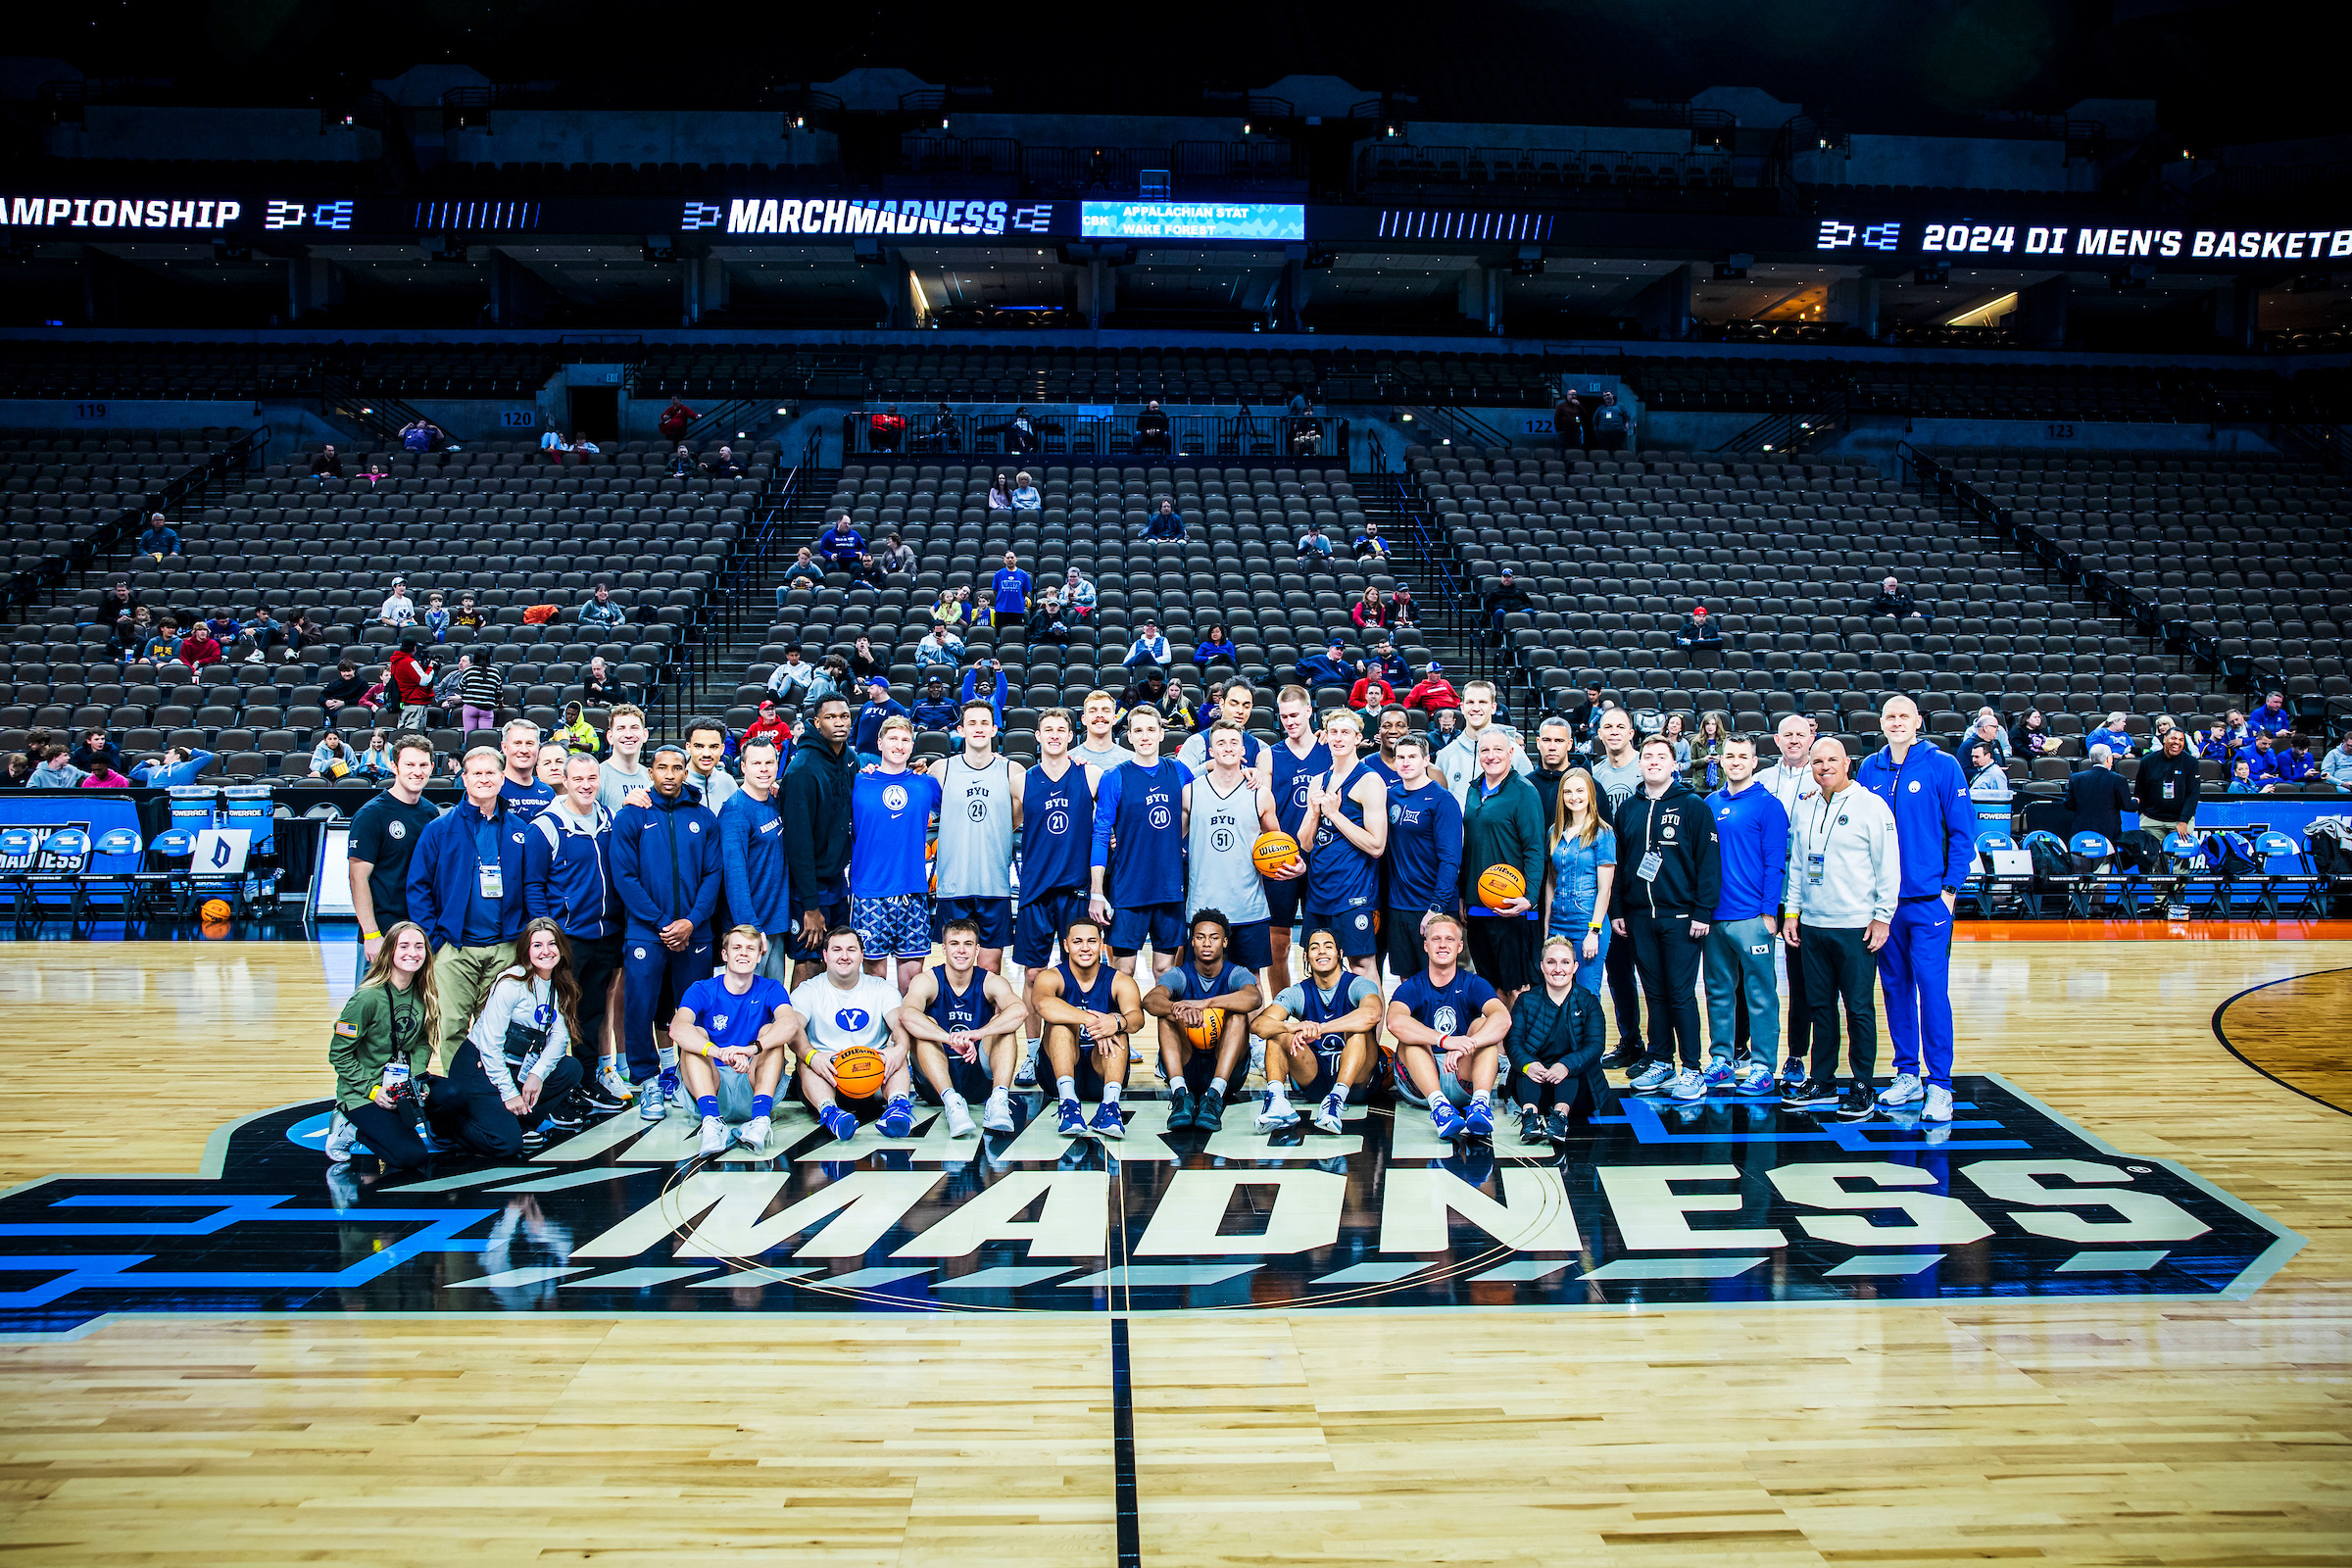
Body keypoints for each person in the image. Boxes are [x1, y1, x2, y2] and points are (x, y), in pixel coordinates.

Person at [1856, 696, 1972, 1119]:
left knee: (1932, 991)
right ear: (1881, 723)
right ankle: (1907, 1074)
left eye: (1904, 715)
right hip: (1884, 905)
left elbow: (1963, 833)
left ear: (1918, 721)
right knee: (1894, 988)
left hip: (1928, 903)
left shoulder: (1942, 765)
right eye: (1890, 716)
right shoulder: (1870, 767)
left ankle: (1940, 1084)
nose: (1897, 722)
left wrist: (1950, 890)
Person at [1782, 738, 1900, 1122]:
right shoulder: (1807, 807)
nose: (1824, 766)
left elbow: (1889, 866)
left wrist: (1883, 916)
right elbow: (1799, 864)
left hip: (1856, 926)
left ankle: (1862, 1084)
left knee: (1859, 1008)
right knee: (1819, 1007)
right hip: (1814, 925)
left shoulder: (1871, 806)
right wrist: (1793, 912)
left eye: (1832, 759)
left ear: (1848, 762)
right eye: (1817, 761)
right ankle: (1823, 1079)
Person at [612, 743, 722, 1120]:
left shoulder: (704, 817)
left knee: (694, 1010)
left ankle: (687, 1077)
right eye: (662, 767)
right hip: (647, 933)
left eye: (677, 768)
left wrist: (691, 921)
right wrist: (662, 923)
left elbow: (713, 875)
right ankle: (646, 1083)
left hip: (696, 933)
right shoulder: (631, 818)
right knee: (640, 1006)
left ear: (685, 771)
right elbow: (624, 877)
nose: (670, 774)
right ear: (651, 771)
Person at [1612, 734, 1721, 1101]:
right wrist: (1618, 910)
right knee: (1654, 994)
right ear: (1639, 764)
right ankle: (1661, 1060)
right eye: (1648, 756)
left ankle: (1692, 1068)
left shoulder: (1693, 805)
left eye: (1662, 756)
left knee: (1680, 994)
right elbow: (1621, 864)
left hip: (1682, 917)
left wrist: (1702, 911)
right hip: (1640, 917)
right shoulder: (1628, 809)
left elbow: (1708, 864)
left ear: (1675, 763)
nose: (1654, 761)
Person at [406, 747, 532, 1062]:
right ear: (464, 779)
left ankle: (494, 1095)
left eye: (491, 773)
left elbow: (533, 886)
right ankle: (460, 1095)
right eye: (477, 773)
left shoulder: (521, 830)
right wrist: (437, 940)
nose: (484, 779)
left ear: (503, 778)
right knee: (451, 1027)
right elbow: (418, 887)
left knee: (500, 1029)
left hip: (505, 949)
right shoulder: (439, 828)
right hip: (454, 950)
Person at [522, 749, 627, 1111]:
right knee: (561, 1014)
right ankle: (551, 1085)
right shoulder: (546, 826)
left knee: (594, 1011)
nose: (585, 785)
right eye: (577, 779)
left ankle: (586, 1080)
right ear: (563, 782)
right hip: (568, 938)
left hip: (607, 934)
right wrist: (546, 936)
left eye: (591, 778)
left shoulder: (610, 819)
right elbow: (533, 885)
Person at [436, 918, 588, 1154]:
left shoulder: (558, 983)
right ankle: (445, 1124)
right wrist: (509, 1093)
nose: (546, 951)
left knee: (571, 1068)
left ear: (561, 948)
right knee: (507, 1144)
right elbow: (490, 1047)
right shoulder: (511, 983)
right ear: (526, 950)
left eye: (552, 944)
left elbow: (559, 1039)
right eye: (537, 945)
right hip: (479, 1067)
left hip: (514, 1066)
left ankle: (520, 1121)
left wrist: (537, 1074)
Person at [672, 926, 806, 1156]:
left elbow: (789, 1024)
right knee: (696, 1036)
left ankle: (760, 1121)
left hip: (752, 1084)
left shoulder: (771, 988)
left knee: (770, 1032)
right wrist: (718, 1052)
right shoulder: (702, 989)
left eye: (750, 948)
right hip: (712, 1085)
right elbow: (678, 1028)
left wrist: (749, 1050)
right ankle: (711, 1123)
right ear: (724, 955)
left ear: (759, 955)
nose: (743, 953)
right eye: (737, 947)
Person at [1703, 733, 1787, 1094]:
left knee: (1761, 992)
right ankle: (1722, 1058)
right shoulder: (1708, 802)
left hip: (1752, 916)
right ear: (1721, 760)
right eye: (1730, 755)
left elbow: (1775, 863)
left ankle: (1764, 1065)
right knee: (1718, 991)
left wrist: (1770, 912)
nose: (1735, 761)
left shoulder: (1769, 806)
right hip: (1714, 917)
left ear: (1755, 762)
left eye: (1743, 756)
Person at [322, 921, 442, 1171]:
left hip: (400, 1084)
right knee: (410, 1156)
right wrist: (373, 1090)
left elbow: (422, 1042)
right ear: (389, 952)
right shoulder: (365, 998)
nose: (413, 952)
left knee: (453, 1095)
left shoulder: (424, 991)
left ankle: (438, 1131)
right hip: (363, 1092)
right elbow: (339, 1055)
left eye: (419, 946)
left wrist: (416, 1079)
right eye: (404, 946)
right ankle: (348, 1128)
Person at [1090, 707, 1194, 981]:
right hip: (1129, 887)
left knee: (1165, 971)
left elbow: (1201, 807)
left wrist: (1181, 838)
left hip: (1169, 887)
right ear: (1129, 737)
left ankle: (1167, 1026)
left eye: (1151, 730)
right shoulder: (1115, 776)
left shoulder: (1180, 772)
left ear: (1162, 734)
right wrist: (1097, 890)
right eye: (1138, 730)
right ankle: (1117, 1025)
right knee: (1122, 971)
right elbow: (1101, 833)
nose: (1145, 736)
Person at [1387, 913, 1511, 1142]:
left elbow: (1503, 1019)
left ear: (1460, 946)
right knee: (1408, 1038)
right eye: (1436, 939)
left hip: (1462, 1074)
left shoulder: (1473, 983)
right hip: (1421, 1081)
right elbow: (1394, 1021)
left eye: (1449, 939)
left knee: (1483, 1025)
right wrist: (1445, 1041)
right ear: (1425, 945)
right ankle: (1440, 1109)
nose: (1443, 945)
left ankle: (1480, 1105)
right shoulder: (1412, 986)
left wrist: (1468, 1044)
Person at [901, 919, 1027, 1138]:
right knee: (924, 1026)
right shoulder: (927, 980)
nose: (961, 950)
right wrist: (949, 1038)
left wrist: (980, 1032)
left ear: (977, 949)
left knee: (1003, 1026)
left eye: (968, 944)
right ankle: (952, 1102)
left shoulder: (990, 981)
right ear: (943, 948)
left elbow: (1020, 1011)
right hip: (935, 1084)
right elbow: (907, 1015)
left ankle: (998, 1100)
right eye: (954, 943)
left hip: (978, 1078)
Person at [1249, 924, 1381, 1134]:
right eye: (1314, 947)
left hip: (1358, 1082)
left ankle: (1336, 1100)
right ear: (1306, 957)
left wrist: (1320, 1029)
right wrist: (1294, 1026)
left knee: (1359, 1031)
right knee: (1277, 1034)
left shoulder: (1357, 984)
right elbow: (1258, 1025)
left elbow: (1372, 1014)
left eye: (1328, 946)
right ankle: (1277, 1101)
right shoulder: (1298, 992)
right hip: (1315, 1076)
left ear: (1339, 954)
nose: (1321, 951)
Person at [1182, 719, 1284, 990]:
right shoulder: (1191, 791)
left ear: (1243, 751)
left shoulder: (1260, 794)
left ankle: (1255, 1035)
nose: (1227, 748)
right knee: (1200, 982)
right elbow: (1169, 842)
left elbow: (1279, 845)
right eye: (1220, 743)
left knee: (1250, 983)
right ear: (1211, 751)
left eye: (1233, 743)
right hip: (1203, 907)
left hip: (1248, 906)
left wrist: (1293, 866)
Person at [791, 926, 916, 1144]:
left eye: (851, 949)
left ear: (861, 955)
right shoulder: (808, 990)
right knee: (806, 1060)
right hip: (828, 1076)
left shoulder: (880, 988)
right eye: (837, 950)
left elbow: (899, 1023)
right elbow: (793, 1029)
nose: (844, 956)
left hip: (874, 1077)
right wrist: (812, 1055)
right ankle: (830, 1113)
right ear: (825, 955)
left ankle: (898, 1108)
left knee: (897, 1055)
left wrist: (900, 1048)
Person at [1145, 909, 1264, 1132]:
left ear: (1225, 942)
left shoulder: (1236, 973)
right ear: (1192, 942)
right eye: (1200, 937)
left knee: (1238, 1013)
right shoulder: (1180, 974)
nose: (1207, 943)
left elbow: (1254, 998)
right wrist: (1178, 1009)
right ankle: (1180, 1094)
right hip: (1188, 1064)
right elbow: (1150, 1001)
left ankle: (1215, 1096)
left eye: (1214, 937)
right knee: (1166, 1015)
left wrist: (1206, 1003)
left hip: (1227, 1071)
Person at [850, 716, 943, 990]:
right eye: (892, 739)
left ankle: (910, 1034)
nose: (898, 745)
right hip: (869, 893)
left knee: (912, 981)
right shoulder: (858, 782)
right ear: (879, 742)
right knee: (873, 980)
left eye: (905, 740)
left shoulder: (925, 785)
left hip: (912, 891)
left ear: (912, 745)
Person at [1034, 915, 1145, 1139]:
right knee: (1061, 1024)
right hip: (1056, 1074)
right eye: (1077, 942)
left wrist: (1114, 1022)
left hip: (1101, 1070)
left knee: (1118, 1027)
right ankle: (1068, 1103)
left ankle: (1110, 1107)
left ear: (1101, 943)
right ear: (1066, 945)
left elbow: (1136, 1018)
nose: (1085, 948)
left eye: (1091, 941)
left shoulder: (1119, 980)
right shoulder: (1051, 976)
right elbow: (1042, 1004)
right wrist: (1091, 1021)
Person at [1459, 727, 1544, 1001]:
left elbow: (1534, 849)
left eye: (1498, 750)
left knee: (1517, 987)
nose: (1491, 756)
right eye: (1484, 750)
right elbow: (1469, 847)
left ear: (1511, 753)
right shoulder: (1473, 790)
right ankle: (1497, 1045)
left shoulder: (1524, 792)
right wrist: (1463, 895)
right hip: (1478, 905)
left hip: (1511, 907)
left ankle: (1520, 1045)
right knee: (1489, 988)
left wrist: (1529, 897)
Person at [780, 694, 858, 983]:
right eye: (831, 717)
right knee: (809, 961)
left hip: (837, 882)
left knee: (835, 963)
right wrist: (810, 907)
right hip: (808, 890)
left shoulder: (849, 759)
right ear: (817, 723)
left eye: (845, 716)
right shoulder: (802, 770)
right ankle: (796, 1028)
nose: (839, 722)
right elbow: (798, 845)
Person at [1261, 687, 1331, 994]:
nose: (1290, 721)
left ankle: (1322, 1013)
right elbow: (1262, 809)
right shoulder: (1269, 756)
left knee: (1323, 944)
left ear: (1309, 712)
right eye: (1284, 716)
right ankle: (1281, 1010)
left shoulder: (1330, 750)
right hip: (1281, 859)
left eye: (1295, 715)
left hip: (1324, 858)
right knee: (1278, 945)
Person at [1506, 937, 1611, 1141]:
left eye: (1565, 962)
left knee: (1570, 1064)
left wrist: (1565, 1066)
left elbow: (1596, 1045)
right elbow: (1513, 1043)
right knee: (1525, 1067)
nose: (1558, 969)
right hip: (1537, 1088)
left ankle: (1560, 1118)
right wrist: (1528, 1065)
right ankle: (1530, 1118)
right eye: (1551, 962)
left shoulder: (1589, 1002)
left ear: (1575, 967)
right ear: (1542, 966)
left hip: (1578, 1093)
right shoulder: (1525, 1001)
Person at [1383, 733, 1464, 982]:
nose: (1406, 762)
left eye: (1412, 757)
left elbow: (1451, 860)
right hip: (1399, 905)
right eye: (1400, 757)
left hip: (1433, 905)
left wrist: (1436, 908)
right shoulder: (1390, 796)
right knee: (1407, 980)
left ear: (1426, 760)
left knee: (1440, 979)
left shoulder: (1443, 800)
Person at [1542, 766, 1614, 997]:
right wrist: (1546, 925)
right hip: (1558, 922)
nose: (1574, 797)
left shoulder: (1602, 833)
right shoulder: (1554, 832)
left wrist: (1594, 931)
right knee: (1556, 994)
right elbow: (1551, 882)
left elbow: (1605, 889)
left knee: (1587, 995)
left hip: (1587, 922)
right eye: (1568, 792)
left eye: (1580, 791)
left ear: (1591, 794)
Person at [1437, 679, 1533, 803]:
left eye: (1482, 702)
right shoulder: (1446, 755)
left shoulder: (1514, 753)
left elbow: (1528, 800)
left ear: (1493, 708)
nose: (1476, 708)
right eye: (1470, 702)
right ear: (1462, 707)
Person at [2064, 744, 2135, 843]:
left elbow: (2068, 804)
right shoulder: (2118, 779)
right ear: (2108, 759)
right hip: (2109, 833)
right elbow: (2126, 806)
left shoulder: (2076, 778)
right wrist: (2137, 801)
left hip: (2082, 831)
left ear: (2090, 759)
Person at [852, 677, 911, 766]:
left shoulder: (896, 708)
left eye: (871, 688)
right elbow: (855, 726)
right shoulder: (866, 706)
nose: (868, 690)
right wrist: (852, 744)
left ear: (880, 689)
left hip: (882, 757)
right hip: (861, 755)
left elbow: (907, 732)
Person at [498, 719, 555, 813]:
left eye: (529, 743)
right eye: (517, 743)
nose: (524, 750)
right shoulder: (493, 788)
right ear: (504, 747)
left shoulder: (547, 793)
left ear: (538, 748)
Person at [129, 744, 218, 787]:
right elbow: (134, 773)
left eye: (168, 753)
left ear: (177, 756)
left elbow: (208, 756)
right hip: (152, 803)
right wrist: (147, 762)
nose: (165, 755)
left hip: (174, 802)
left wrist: (190, 751)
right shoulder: (154, 769)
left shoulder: (188, 767)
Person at [1862, 574, 1929, 629]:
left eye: (1894, 586)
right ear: (1884, 586)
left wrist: (1915, 611)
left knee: (1930, 619)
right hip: (1894, 620)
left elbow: (1913, 605)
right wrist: (1885, 615)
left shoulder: (1903, 594)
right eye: (1890, 586)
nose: (1893, 588)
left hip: (1908, 617)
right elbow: (1871, 610)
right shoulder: (1879, 597)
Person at [987, 550, 1032, 628]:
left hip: (1017, 609)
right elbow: (995, 591)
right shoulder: (998, 574)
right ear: (1004, 560)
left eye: (1012, 557)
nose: (1010, 560)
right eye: (1008, 558)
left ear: (1016, 559)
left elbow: (1026, 591)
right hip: (1001, 610)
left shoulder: (1023, 575)